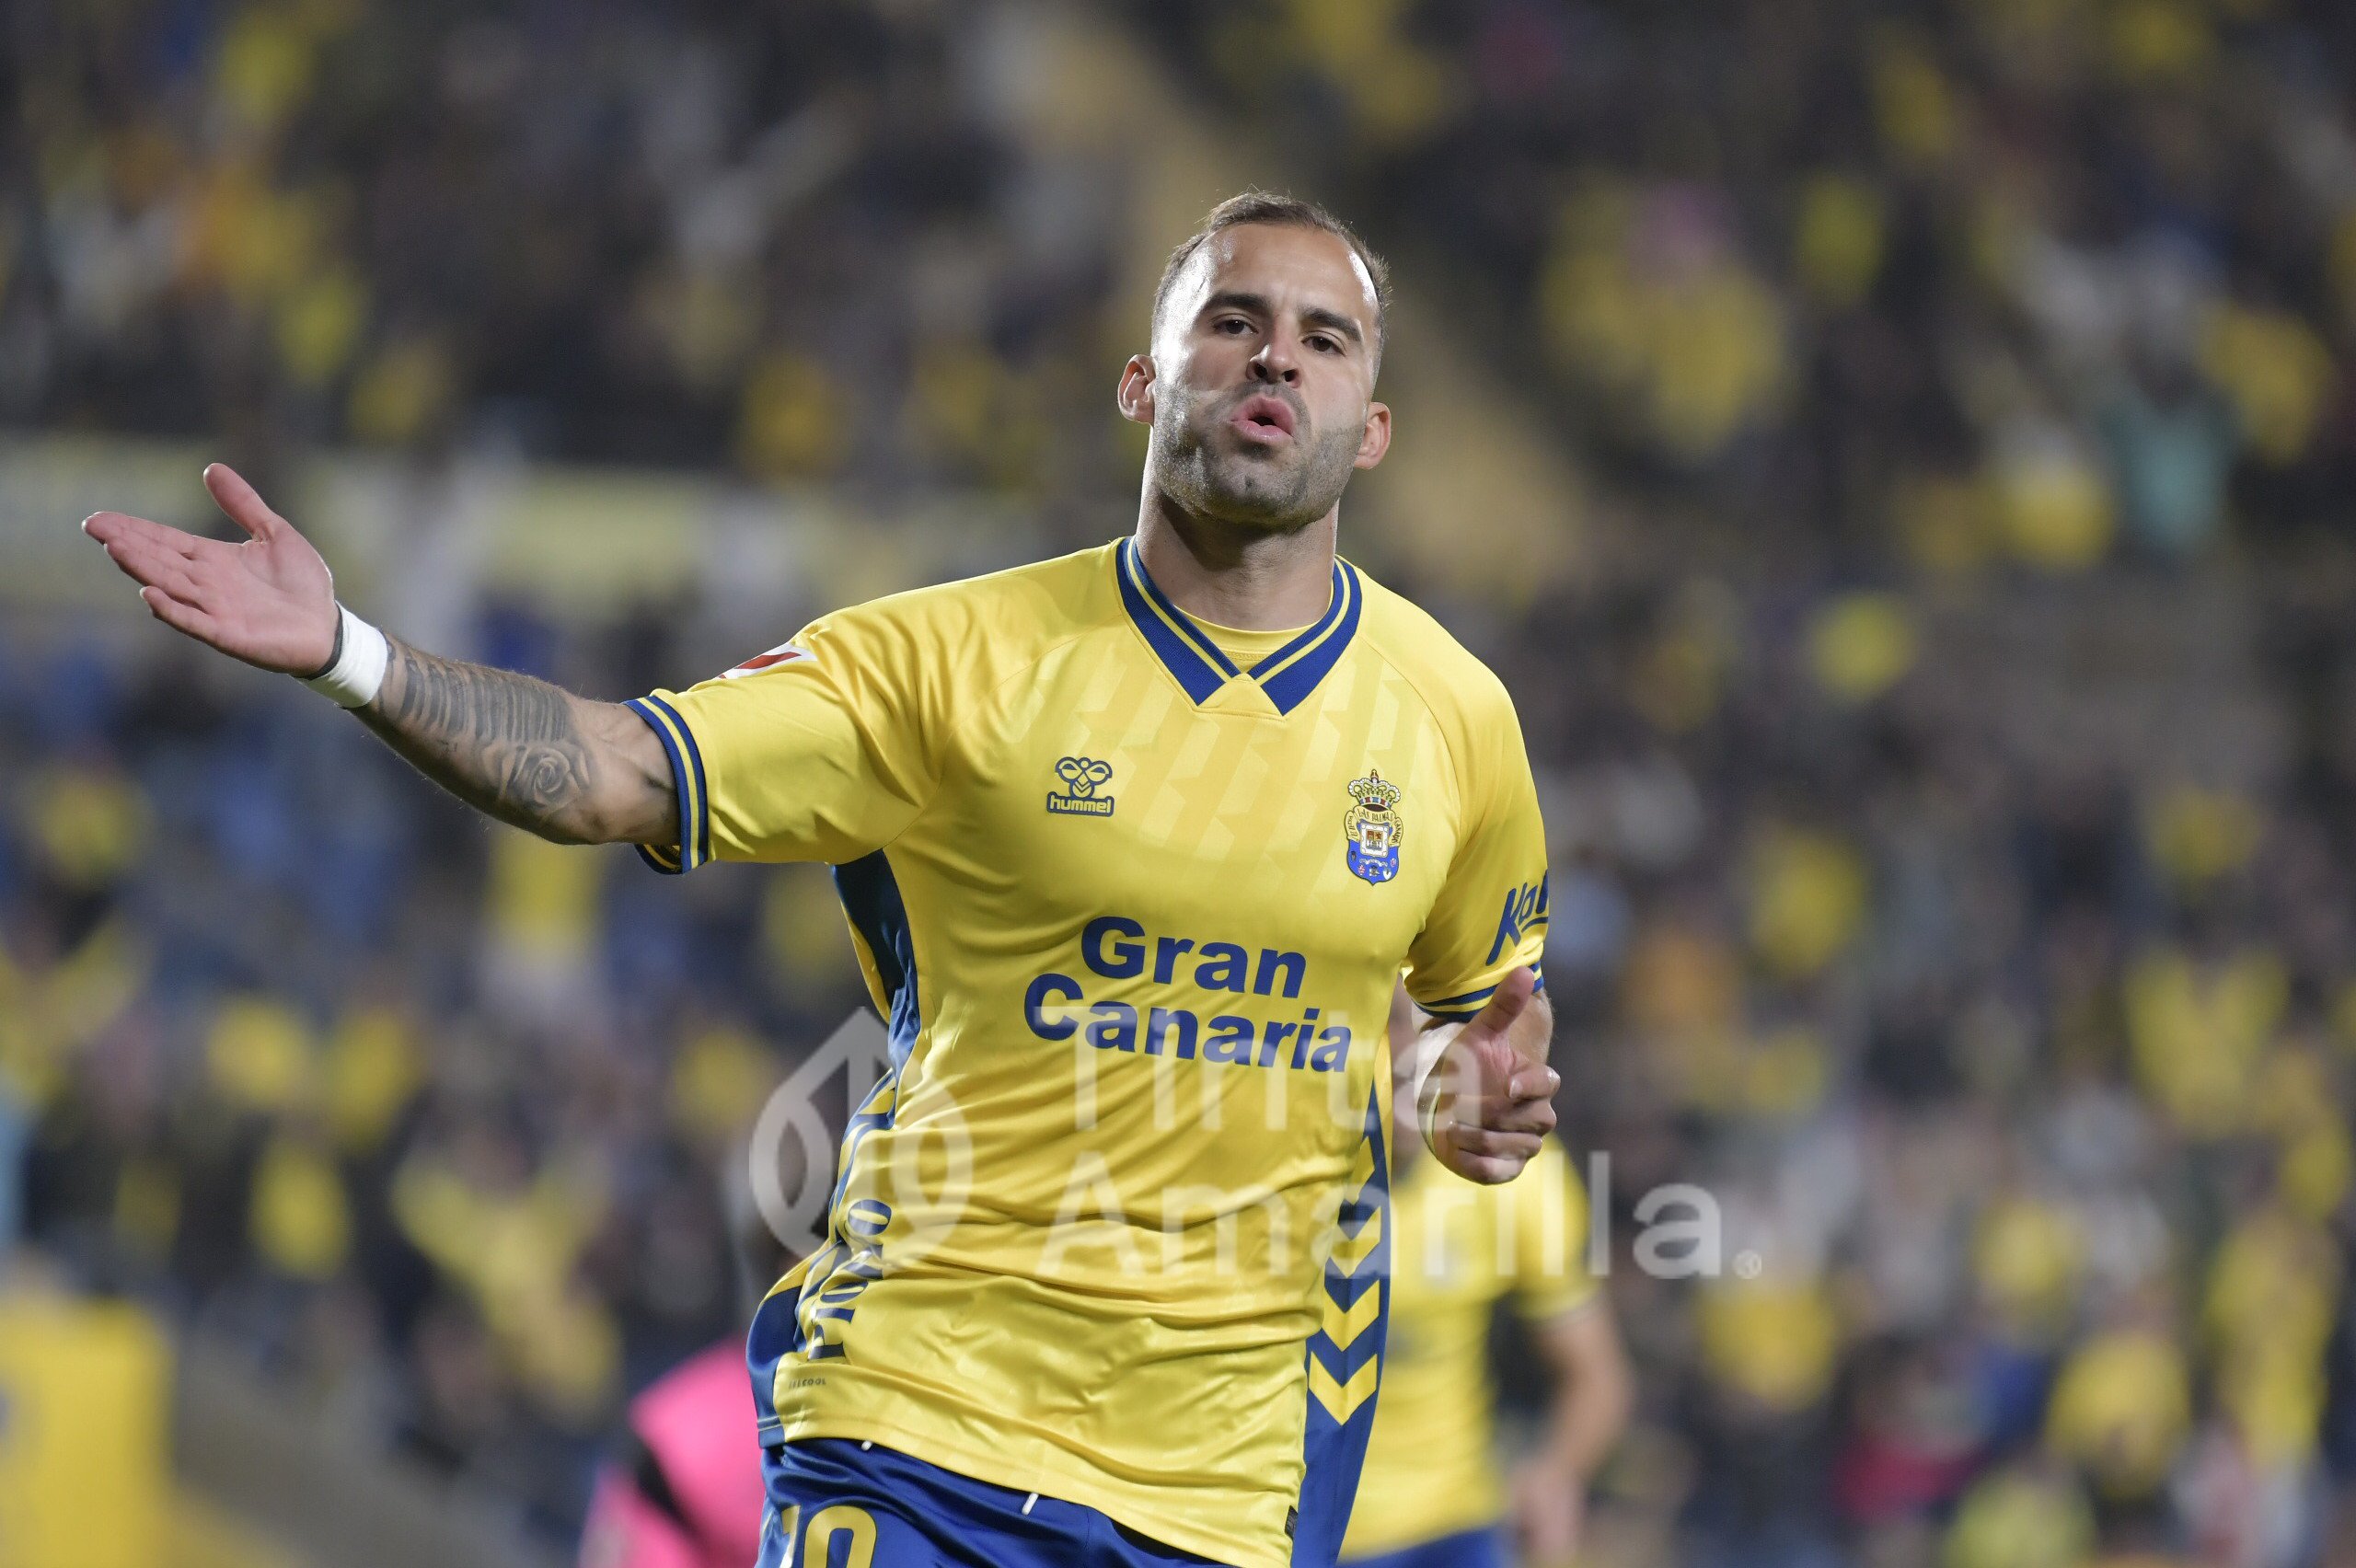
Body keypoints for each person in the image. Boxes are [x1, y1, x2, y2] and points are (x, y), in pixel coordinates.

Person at [82, 191, 1563, 1568]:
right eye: (1233, 319)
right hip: (921, 1433)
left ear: (1373, 427)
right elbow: (618, 769)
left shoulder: (1456, 721)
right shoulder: (950, 660)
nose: (1277, 357)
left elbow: (1468, 1015)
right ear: (1141, 381)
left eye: (1325, 338)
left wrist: (1461, 1089)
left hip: (1229, 1494)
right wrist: (352, 655)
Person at [1339, 988, 1631, 1568]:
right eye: (1390, 1023)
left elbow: (1596, 1377)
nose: (1410, 1053)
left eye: (1438, 1027)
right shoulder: (1277, 1180)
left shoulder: (1514, 1174)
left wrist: (1555, 1474)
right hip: (1296, 1530)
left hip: (1453, 1528)